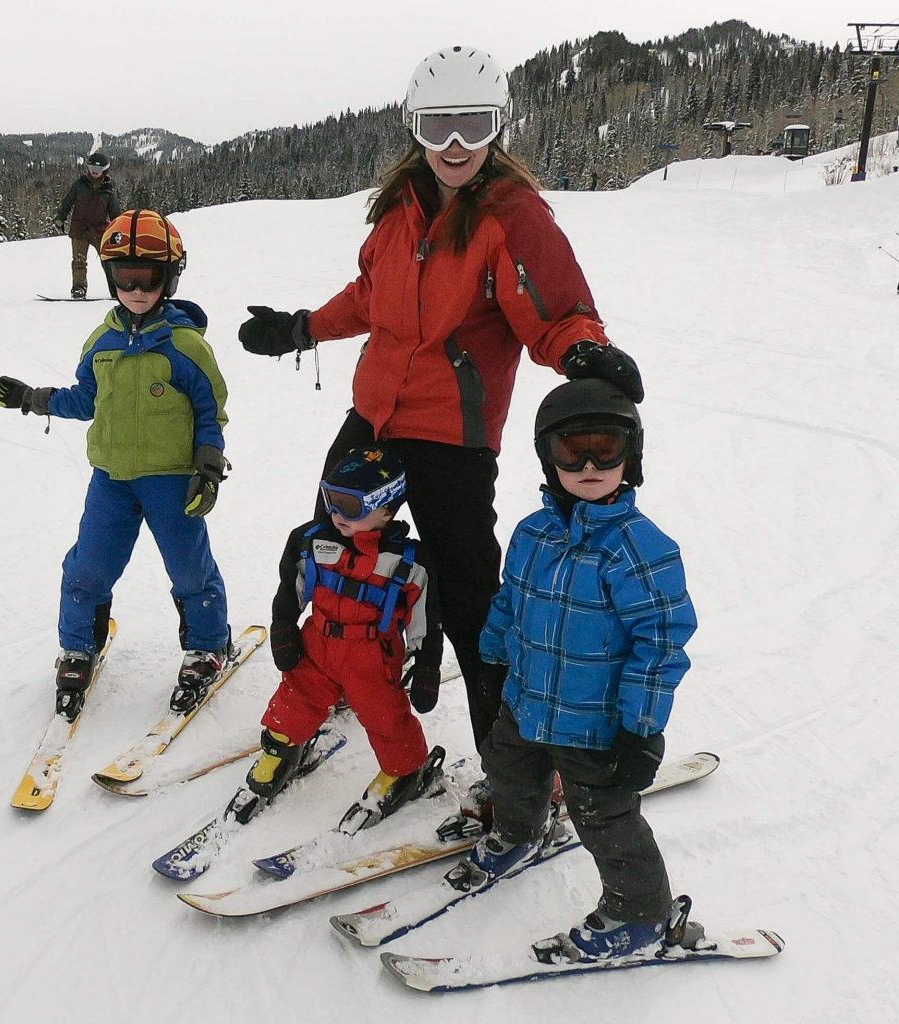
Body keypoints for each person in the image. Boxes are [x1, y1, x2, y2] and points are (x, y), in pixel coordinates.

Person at [237, 45, 644, 751]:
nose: (455, 145)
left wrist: (581, 350)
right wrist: (304, 327)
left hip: (452, 434)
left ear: (499, 127)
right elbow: (372, 297)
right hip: (373, 417)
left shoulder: (515, 217)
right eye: (437, 127)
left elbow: (555, 311)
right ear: (413, 128)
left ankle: (515, 754)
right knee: (330, 554)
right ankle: (330, 683)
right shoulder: (400, 209)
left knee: (466, 595)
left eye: (473, 124)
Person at [450, 378, 697, 962]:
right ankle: (518, 831)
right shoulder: (531, 533)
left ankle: (642, 913)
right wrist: (492, 658)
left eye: (605, 449)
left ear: (630, 455)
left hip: (594, 726)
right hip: (526, 699)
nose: (588, 463)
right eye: (571, 450)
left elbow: (661, 642)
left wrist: (641, 727)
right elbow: (510, 600)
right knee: (507, 772)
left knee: (605, 820)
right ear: (548, 456)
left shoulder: (641, 548)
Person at [0, 209, 233, 721]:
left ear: (170, 278)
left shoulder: (186, 346)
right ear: (110, 277)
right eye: (126, 278)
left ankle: (208, 644)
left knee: (190, 569)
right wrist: (33, 397)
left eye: (149, 279)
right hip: (112, 482)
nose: (138, 290)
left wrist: (208, 465)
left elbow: (211, 410)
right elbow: (85, 398)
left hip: (172, 481)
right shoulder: (102, 343)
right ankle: (78, 645)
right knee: (88, 567)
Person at [224, 447, 445, 832]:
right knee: (296, 697)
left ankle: (405, 769)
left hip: (372, 657)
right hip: (318, 647)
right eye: (331, 501)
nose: (337, 514)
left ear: (386, 509)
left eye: (350, 506)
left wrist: (426, 666)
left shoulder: (409, 563)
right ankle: (281, 749)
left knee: (384, 715)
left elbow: (427, 619)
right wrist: (283, 626)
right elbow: (289, 588)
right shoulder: (312, 542)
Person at [54, 152, 121, 299]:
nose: (94, 172)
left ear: (105, 170)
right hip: (79, 230)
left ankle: (116, 289)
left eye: (98, 169)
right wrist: (60, 218)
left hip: (100, 230)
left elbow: (116, 213)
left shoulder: (108, 190)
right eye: (91, 168)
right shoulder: (79, 185)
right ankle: (78, 289)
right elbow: (67, 202)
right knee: (79, 261)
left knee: (109, 261)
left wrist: (118, 230)